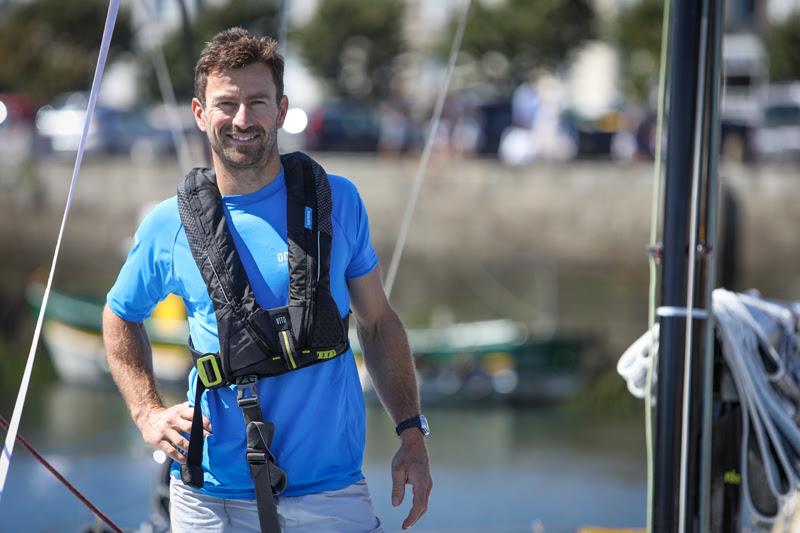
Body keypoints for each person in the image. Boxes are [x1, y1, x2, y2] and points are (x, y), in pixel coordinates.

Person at [102, 28, 432, 533]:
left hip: (331, 492)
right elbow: (120, 316)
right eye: (226, 103)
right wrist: (147, 412)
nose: (241, 119)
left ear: (281, 110)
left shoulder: (337, 203)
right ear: (198, 112)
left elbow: (378, 322)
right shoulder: (167, 225)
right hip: (208, 499)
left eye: (257, 102)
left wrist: (411, 433)